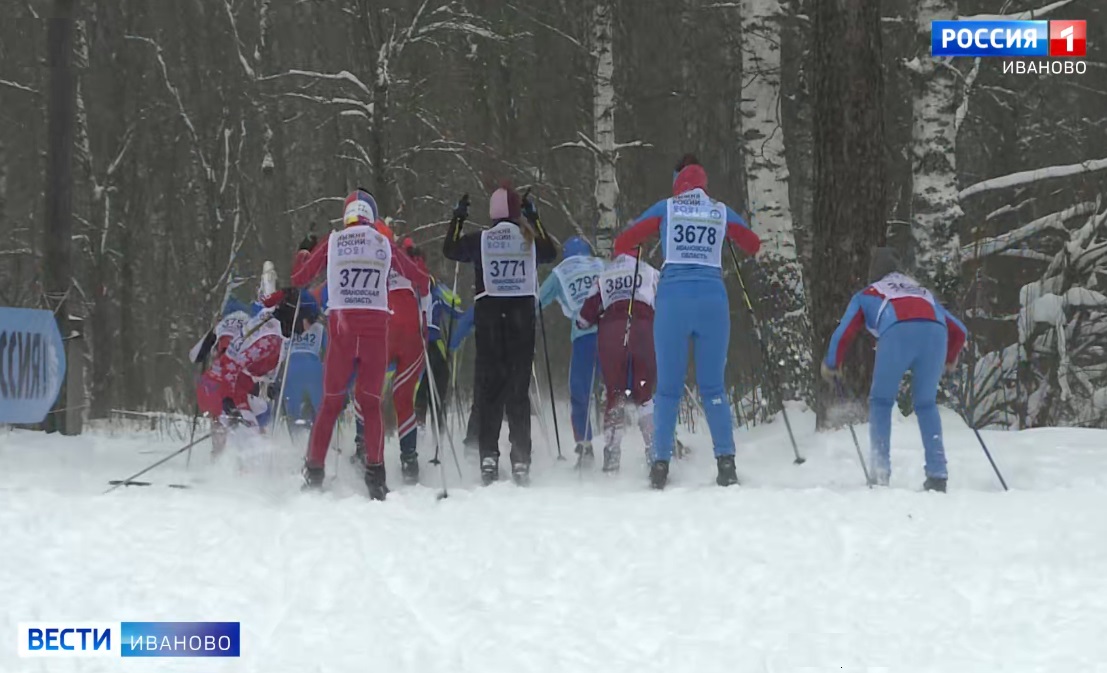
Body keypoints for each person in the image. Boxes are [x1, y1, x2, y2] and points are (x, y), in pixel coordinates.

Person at [614, 155, 761, 489]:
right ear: (703, 181)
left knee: (667, 389)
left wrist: (643, 242)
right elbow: (753, 244)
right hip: (713, 301)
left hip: (673, 302)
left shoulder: (667, 207)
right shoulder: (720, 210)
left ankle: (660, 466)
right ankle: (726, 463)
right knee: (713, 387)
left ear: (677, 180)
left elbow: (624, 243)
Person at [291, 189, 429, 500]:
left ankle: (314, 472)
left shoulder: (335, 240)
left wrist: (303, 251)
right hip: (374, 332)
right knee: (370, 402)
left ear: (346, 215)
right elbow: (417, 279)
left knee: (330, 403)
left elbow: (299, 277)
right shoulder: (383, 243)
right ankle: (375, 476)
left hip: (342, 331)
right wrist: (416, 260)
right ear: (371, 215)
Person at [821, 248, 968, 492]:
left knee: (881, 401)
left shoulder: (869, 293)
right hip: (935, 333)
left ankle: (880, 472)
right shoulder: (922, 293)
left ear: (875, 275)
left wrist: (832, 363)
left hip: (897, 330)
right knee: (926, 404)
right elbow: (960, 330)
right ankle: (937, 473)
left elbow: (843, 332)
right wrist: (950, 358)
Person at [443, 186, 558, 485]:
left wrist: (458, 217)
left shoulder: (481, 240)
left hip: (490, 320)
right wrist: (535, 218)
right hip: (521, 320)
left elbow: (450, 248)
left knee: (490, 391)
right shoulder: (528, 238)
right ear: (517, 213)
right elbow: (550, 251)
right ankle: (520, 459)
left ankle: (489, 459)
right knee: (518, 392)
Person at [193, 289, 319, 456]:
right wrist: (229, 401)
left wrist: (270, 383)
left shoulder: (270, 317)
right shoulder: (270, 339)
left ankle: (228, 457)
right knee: (251, 441)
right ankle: (236, 473)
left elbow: (272, 300)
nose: (309, 327)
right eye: (309, 320)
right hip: (225, 388)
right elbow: (232, 363)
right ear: (296, 315)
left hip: (228, 385)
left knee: (263, 413)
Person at [576, 247, 660, 473]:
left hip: (612, 331)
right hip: (643, 328)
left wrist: (585, 321)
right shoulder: (649, 271)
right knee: (644, 390)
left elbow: (583, 318)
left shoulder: (605, 275)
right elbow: (664, 301)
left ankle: (612, 453)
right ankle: (655, 451)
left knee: (616, 392)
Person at [538, 236, 605, 466]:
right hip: (613, 334)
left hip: (584, 336)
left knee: (580, 391)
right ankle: (658, 441)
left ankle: (585, 446)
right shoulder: (601, 264)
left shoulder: (560, 272)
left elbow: (537, 300)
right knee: (624, 388)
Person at [280, 289, 326, 433]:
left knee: (292, 402)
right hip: (313, 365)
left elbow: (281, 352)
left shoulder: (287, 327)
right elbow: (330, 349)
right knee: (319, 402)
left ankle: (295, 434)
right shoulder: (319, 328)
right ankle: (320, 434)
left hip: (291, 366)